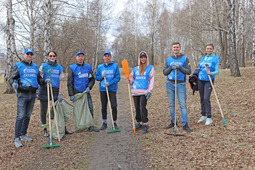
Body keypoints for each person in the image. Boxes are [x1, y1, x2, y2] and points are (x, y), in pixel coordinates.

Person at [9, 48, 45, 147]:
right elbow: (12, 78)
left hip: (32, 94)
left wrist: (45, 81)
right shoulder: (18, 66)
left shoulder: (35, 67)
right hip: (22, 94)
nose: (29, 55)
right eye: (27, 54)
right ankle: (16, 137)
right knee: (20, 116)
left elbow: (39, 79)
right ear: (24, 55)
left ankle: (23, 134)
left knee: (27, 116)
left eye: (31, 54)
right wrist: (13, 84)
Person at [163, 42, 192, 132]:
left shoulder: (185, 58)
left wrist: (180, 67)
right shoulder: (168, 59)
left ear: (180, 48)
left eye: (177, 47)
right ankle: (173, 121)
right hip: (170, 83)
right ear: (172, 49)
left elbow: (188, 71)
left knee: (182, 104)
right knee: (172, 104)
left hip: (180, 84)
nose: (176, 48)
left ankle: (185, 124)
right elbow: (164, 72)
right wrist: (171, 67)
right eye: (174, 47)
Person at [38, 51, 69, 137]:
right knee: (44, 110)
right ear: (48, 56)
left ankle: (61, 127)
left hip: (55, 90)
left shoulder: (59, 67)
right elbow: (39, 78)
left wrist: (60, 93)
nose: (52, 57)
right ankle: (45, 129)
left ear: (56, 57)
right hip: (44, 89)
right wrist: (43, 82)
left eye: (54, 56)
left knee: (58, 110)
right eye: (50, 56)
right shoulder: (43, 66)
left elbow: (61, 81)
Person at [67, 51, 99, 132]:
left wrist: (89, 87)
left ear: (84, 57)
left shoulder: (88, 67)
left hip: (86, 92)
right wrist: (71, 94)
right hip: (77, 93)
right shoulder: (72, 68)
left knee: (90, 108)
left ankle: (91, 125)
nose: (80, 58)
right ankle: (80, 126)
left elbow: (92, 79)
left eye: (82, 56)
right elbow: (69, 82)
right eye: (79, 56)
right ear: (76, 57)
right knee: (78, 111)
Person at [128, 51, 155, 134]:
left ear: (147, 58)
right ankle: (139, 122)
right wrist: (129, 80)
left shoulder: (150, 68)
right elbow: (132, 79)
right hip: (135, 91)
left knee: (142, 107)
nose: (143, 59)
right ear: (139, 59)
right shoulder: (135, 69)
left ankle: (145, 124)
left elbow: (152, 79)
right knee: (137, 107)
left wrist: (150, 91)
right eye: (141, 57)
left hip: (144, 91)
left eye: (144, 57)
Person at [95, 50, 121, 130]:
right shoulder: (100, 67)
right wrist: (102, 76)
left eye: (108, 56)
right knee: (104, 106)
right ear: (103, 57)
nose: (107, 57)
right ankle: (104, 122)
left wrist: (110, 83)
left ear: (110, 57)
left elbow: (118, 77)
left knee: (114, 105)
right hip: (103, 89)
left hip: (112, 88)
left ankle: (114, 122)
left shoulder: (115, 66)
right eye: (105, 56)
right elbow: (97, 77)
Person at [196, 44, 220, 125]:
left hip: (209, 80)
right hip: (200, 80)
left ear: (213, 49)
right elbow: (199, 68)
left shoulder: (215, 59)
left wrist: (211, 73)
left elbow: (217, 71)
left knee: (206, 98)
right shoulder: (203, 58)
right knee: (202, 98)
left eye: (210, 48)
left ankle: (209, 117)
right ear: (205, 49)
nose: (209, 50)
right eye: (207, 48)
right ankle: (203, 115)